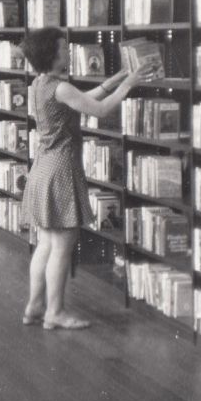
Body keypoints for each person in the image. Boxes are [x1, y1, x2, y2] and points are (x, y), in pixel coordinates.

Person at [19, 27, 154, 330]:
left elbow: (83, 99)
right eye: (63, 48)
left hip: (43, 167)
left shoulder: (40, 84)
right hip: (61, 170)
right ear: (52, 55)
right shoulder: (61, 87)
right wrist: (130, 84)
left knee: (46, 242)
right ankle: (55, 312)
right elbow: (100, 109)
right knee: (63, 246)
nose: (68, 52)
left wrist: (116, 79)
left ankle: (34, 306)